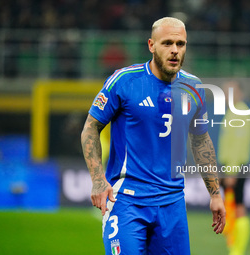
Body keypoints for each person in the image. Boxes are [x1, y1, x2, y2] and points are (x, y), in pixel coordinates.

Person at [81, 17, 226, 255]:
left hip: (172, 203)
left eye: (181, 44)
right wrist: (98, 179)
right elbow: (90, 128)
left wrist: (215, 194)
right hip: (127, 202)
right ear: (151, 45)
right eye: (167, 43)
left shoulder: (194, 88)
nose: (174, 50)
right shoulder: (124, 81)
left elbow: (201, 141)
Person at [218, 81, 250, 255]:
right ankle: (234, 247)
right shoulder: (233, 113)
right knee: (232, 206)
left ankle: (238, 250)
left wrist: (231, 171)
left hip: (236, 167)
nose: (226, 95)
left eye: (230, 92)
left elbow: (238, 146)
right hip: (230, 166)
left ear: (239, 93)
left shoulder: (241, 113)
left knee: (238, 207)